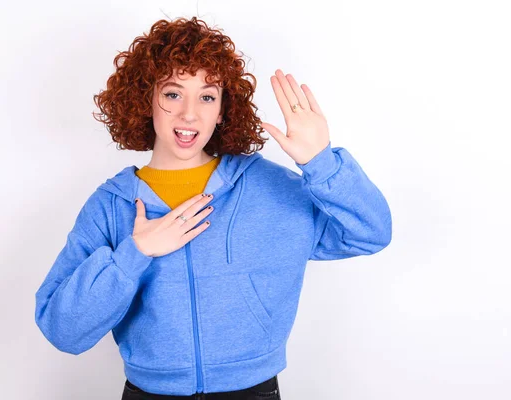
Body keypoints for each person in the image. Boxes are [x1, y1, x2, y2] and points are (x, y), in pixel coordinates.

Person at [34, 16, 392, 399]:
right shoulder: (111, 206)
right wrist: (135, 253)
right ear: (146, 101)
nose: (190, 114)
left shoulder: (266, 188)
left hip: (253, 391)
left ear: (222, 109)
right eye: (173, 94)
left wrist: (322, 163)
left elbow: (370, 233)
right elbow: (62, 330)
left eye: (207, 97)